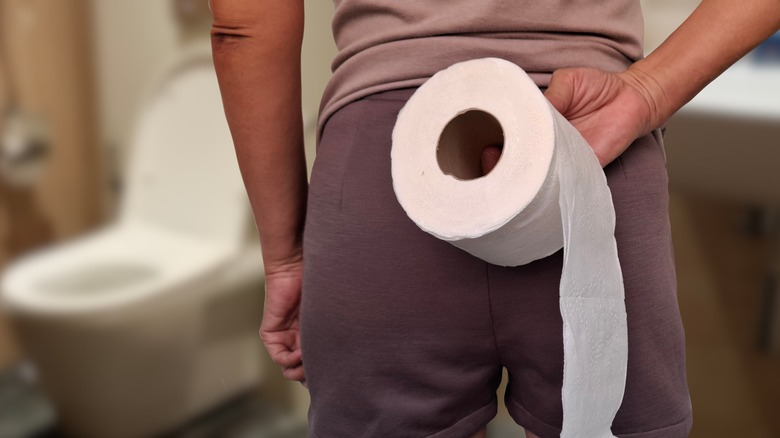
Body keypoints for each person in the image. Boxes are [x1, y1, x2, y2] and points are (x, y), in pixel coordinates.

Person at [209, 1, 780, 436]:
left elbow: (244, 27)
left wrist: (286, 257)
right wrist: (645, 93)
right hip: (597, 151)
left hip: (383, 174)